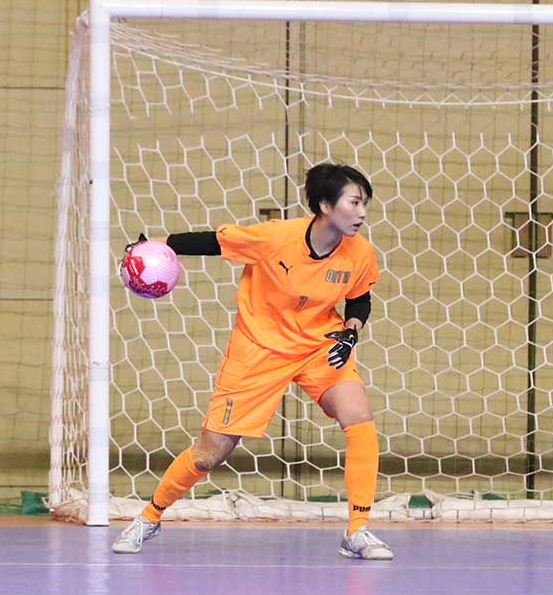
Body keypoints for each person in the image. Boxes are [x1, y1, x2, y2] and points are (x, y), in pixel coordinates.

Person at [112, 163, 393, 560]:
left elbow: (360, 297)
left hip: (318, 345)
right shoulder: (275, 237)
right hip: (258, 349)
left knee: (359, 418)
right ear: (326, 205)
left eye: (365, 203)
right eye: (355, 202)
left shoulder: (360, 252)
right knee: (209, 455)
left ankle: (358, 530)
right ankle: (148, 517)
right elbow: (212, 241)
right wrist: (152, 246)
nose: (363, 212)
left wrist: (351, 330)